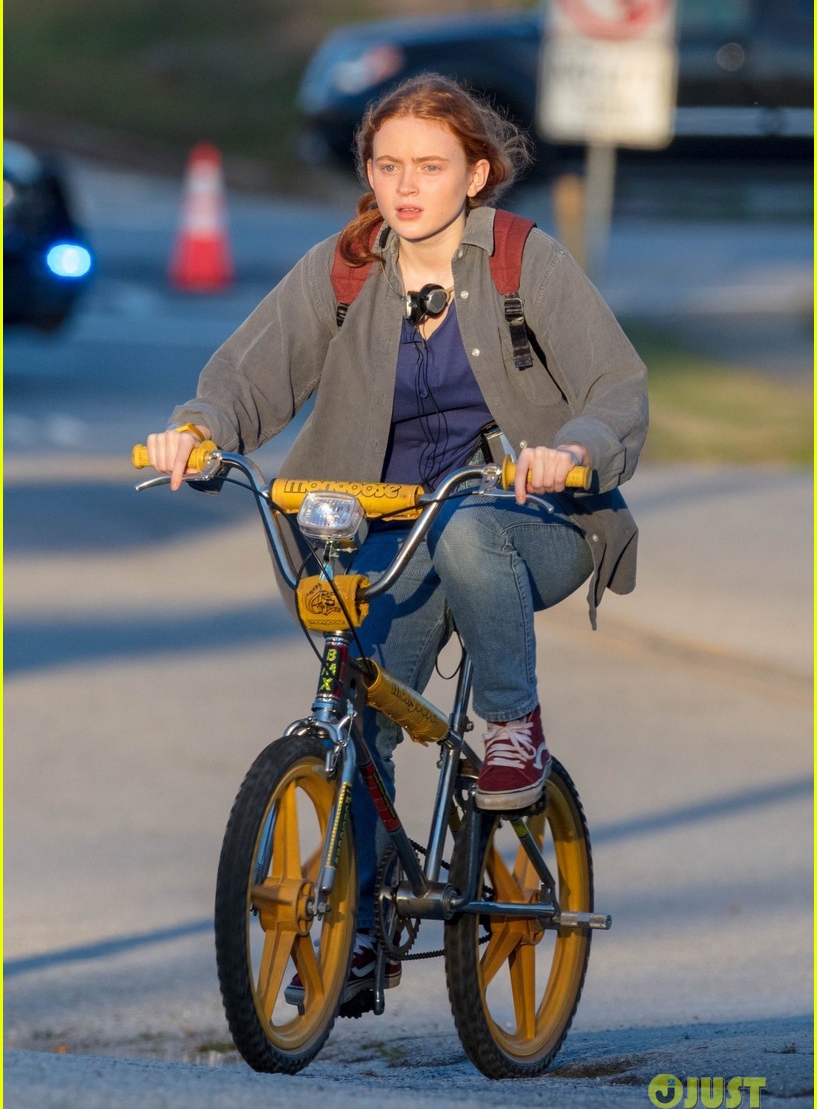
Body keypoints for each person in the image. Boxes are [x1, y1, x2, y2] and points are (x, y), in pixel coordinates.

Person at [145, 72, 648, 1005]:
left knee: (464, 530)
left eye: (429, 166)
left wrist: (570, 453)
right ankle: (362, 932)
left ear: (477, 173)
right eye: (387, 165)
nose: (405, 186)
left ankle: (510, 727)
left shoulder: (520, 261)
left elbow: (617, 389)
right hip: (384, 529)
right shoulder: (345, 266)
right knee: (359, 710)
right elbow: (248, 378)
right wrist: (201, 428)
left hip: (527, 520)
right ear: (367, 173)